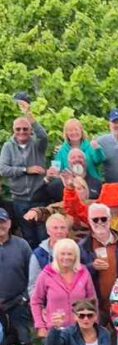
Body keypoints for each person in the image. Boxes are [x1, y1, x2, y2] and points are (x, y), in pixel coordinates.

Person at [30, 239, 98, 345]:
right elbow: (36, 301)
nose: (66, 257)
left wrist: (94, 323)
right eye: (63, 254)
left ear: (76, 256)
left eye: (70, 254)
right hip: (56, 330)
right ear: (56, 255)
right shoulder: (46, 273)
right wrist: (40, 325)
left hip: (81, 329)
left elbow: (92, 299)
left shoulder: (83, 272)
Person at [0, 99, 49, 247]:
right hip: (19, 199)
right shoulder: (8, 147)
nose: (22, 132)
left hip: (38, 197)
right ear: (13, 130)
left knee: (43, 236)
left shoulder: (37, 144)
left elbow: (43, 136)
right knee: (28, 237)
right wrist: (26, 170)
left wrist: (28, 114)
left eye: (25, 129)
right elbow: (3, 169)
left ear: (30, 130)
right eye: (18, 129)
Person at [78, 200, 118, 324]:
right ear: (89, 221)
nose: (100, 223)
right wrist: (92, 267)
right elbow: (76, 273)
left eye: (103, 219)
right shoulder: (82, 246)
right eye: (95, 219)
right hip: (95, 305)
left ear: (110, 219)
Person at [0, 208, 34, 345]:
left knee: (25, 340)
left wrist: (25, 298)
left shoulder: (22, 245)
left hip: (18, 303)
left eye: (3, 221)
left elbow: (32, 275)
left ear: (9, 223)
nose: (0, 225)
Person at [27, 212, 71, 297]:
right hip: (48, 304)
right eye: (55, 228)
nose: (59, 231)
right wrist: (39, 307)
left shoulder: (77, 250)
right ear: (48, 231)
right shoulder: (38, 254)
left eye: (62, 228)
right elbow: (33, 286)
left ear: (67, 230)